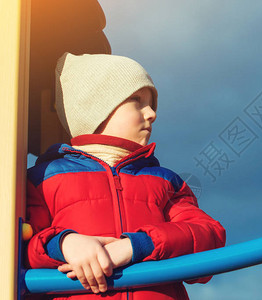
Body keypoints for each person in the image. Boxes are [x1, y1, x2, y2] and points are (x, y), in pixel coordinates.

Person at [26, 52, 226, 300]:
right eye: (137, 100)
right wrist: (65, 243)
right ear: (96, 106)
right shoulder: (43, 178)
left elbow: (209, 236)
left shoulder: (164, 181)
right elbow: (21, 245)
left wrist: (137, 245)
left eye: (151, 104)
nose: (152, 113)